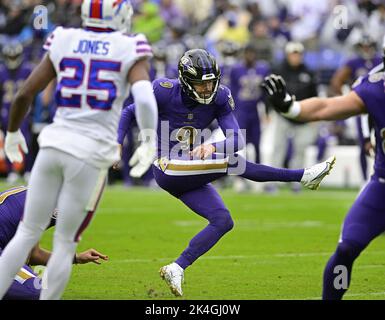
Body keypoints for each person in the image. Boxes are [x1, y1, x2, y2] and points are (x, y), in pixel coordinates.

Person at [117, 48, 336, 297]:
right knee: (233, 164)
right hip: (166, 166)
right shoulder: (164, 90)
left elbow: (236, 140)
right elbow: (128, 112)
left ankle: (177, 267)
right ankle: (303, 175)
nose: (207, 89)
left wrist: (213, 145)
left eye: (211, 83)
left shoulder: (219, 97)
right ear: (187, 81)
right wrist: (117, 144)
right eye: (201, 84)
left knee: (223, 221)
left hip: (188, 170)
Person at [0, 0, 158, 300]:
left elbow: (25, 93)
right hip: (88, 153)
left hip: (52, 143)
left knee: (25, 235)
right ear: (122, 16)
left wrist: (11, 132)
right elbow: (146, 100)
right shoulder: (130, 45)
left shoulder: (64, 37)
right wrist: (149, 139)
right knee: (65, 244)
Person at [261, 50, 385, 300]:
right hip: (383, 186)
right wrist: (291, 107)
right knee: (347, 247)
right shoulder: (377, 86)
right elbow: (328, 106)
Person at [0, 186, 108, 300]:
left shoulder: (38, 195)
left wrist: (77, 258)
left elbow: (34, 254)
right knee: (40, 292)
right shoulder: (48, 203)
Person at [267, 41, 319, 193]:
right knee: (278, 148)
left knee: (300, 149)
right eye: (293, 54)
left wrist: (314, 116)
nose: (295, 57)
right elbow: (270, 93)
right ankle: (273, 181)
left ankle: (296, 181)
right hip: (283, 115)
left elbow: (314, 96)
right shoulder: (279, 71)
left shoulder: (308, 72)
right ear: (288, 55)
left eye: (298, 54)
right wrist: (269, 111)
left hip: (303, 116)